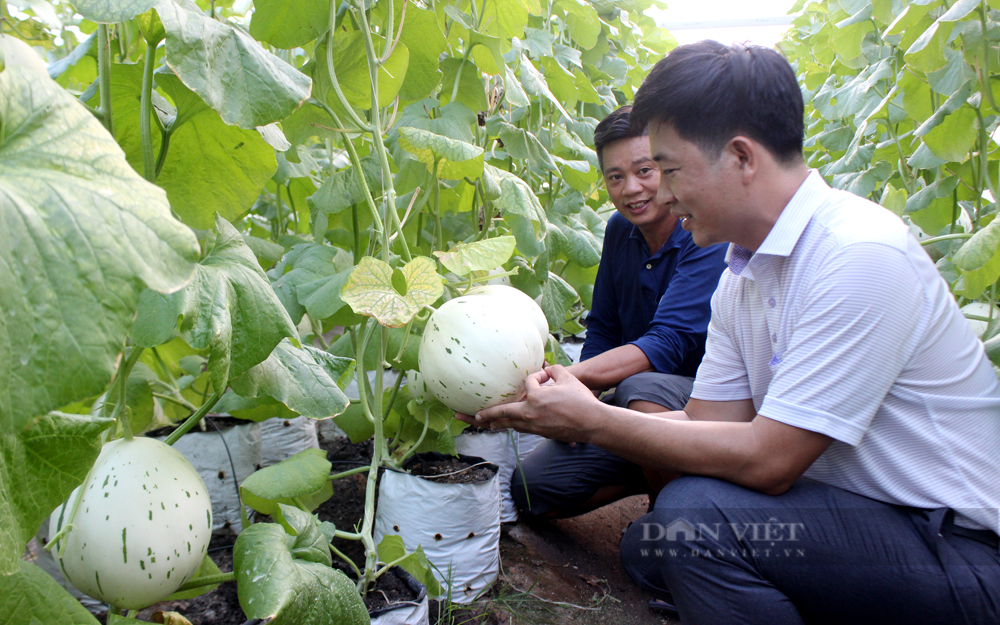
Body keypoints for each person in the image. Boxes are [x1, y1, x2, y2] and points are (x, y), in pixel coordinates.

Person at [464, 41, 1000, 625]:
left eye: (667, 169)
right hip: (856, 514)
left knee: (694, 523)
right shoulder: (744, 271)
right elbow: (707, 422)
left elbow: (769, 460)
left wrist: (594, 419)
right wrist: (552, 411)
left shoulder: (857, 254)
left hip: (959, 549)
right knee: (652, 550)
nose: (660, 193)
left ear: (741, 156)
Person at [511, 105, 728, 520]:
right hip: (635, 409)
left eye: (644, 170)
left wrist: (569, 379)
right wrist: (581, 399)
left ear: (667, 168)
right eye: (615, 176)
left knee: (642, 388)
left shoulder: (706, 233)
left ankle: (677, 521)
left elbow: (667, 343)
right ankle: (657, 471)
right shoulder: (619, 229)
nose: (631, 189)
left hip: (705, 406)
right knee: (534, 489)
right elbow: (604, 328)